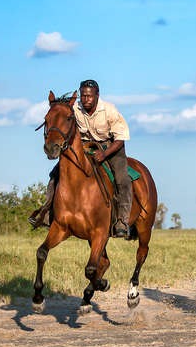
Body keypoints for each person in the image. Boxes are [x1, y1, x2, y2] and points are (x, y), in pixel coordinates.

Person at [29, 79, 133, 238]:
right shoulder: (75, 109)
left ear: (97, 96)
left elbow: (120, 139)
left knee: (122, 180)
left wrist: (104, 154)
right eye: (83, 96)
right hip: (85, 146)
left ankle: (121, 221)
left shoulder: (110, 110)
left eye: (89, 96)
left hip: (111, 147)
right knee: (54, 175)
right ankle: (48, 213)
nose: (85, 99)